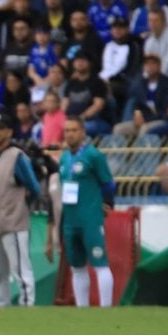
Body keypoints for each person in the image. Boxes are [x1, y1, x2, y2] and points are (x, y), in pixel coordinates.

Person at [0, 113, 40, 307]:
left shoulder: (17, 157)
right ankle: (2, 308)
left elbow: (34, 187)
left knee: (20, 271)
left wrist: (18, 207)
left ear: (9, 132)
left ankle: (27, 308)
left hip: (13, 224)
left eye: (0, 128)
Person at [55, 116, 116, 307]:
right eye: (66, 130)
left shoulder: (93, 155)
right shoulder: (64, 157)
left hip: (90, 218)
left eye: (74, 130)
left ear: (83, 133)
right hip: (70, 219)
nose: (69, 134)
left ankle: (106, 308)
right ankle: (83, 309)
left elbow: (108, 184)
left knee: (100, 263)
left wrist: (106, 203)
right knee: (76, 266)